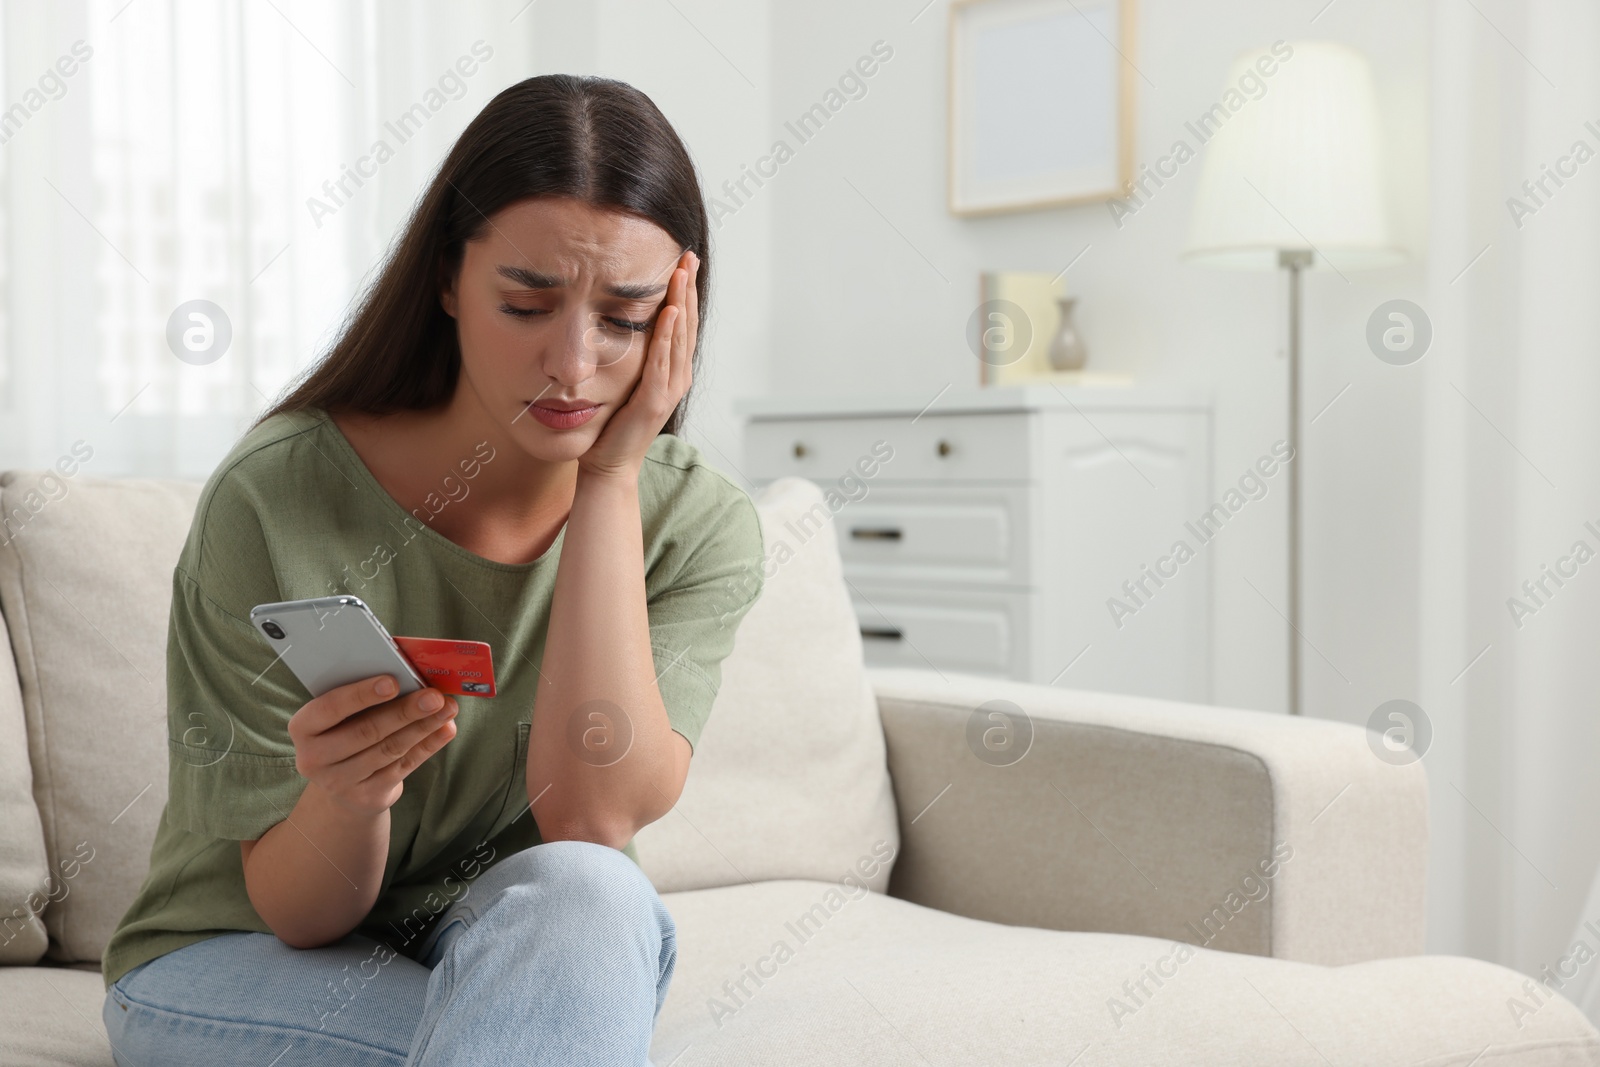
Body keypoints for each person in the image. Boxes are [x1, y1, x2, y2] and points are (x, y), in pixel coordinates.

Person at [99, 73, 766, 1066]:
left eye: (625, 318)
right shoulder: (274, 496)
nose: (572, 363)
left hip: (509, 945)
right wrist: (348, 793)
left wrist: (612, 476)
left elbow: (586, 819)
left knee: (594, 887)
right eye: (526, 302)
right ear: (448, 280)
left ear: (679, 316)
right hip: (234, 950)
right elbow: (300, 914)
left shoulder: (693, 522)